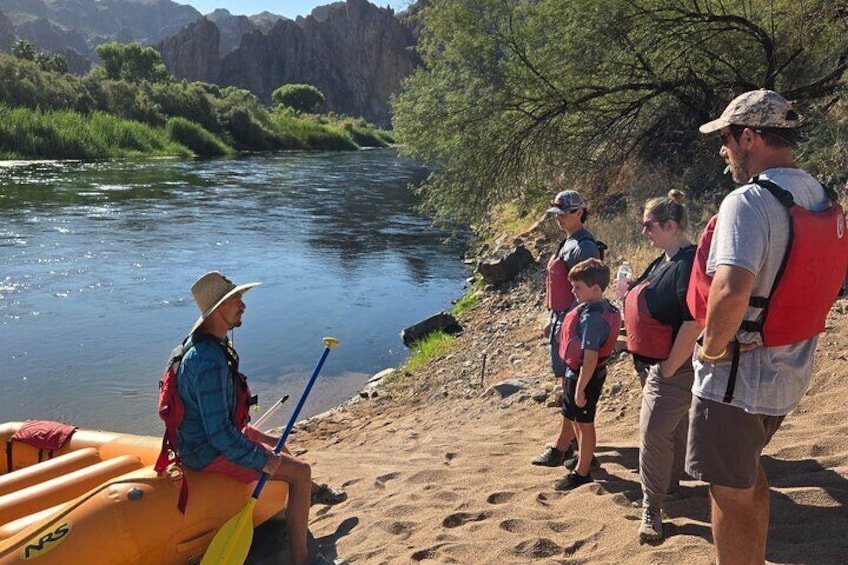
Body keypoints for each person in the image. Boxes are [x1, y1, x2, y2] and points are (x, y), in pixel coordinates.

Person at [687, 90, 848, 564]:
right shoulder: (821, 195)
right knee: (746, 473)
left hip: (739, 377)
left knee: (727, 490)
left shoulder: (749, 201)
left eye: (728, 139)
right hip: (788, 371)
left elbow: (732, 289)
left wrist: (710, 350)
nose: (724, 149)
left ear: (750, 137)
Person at [175, 271, 344, 565]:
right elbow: (218, 434)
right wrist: (260, 459)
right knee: (300, 471)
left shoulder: (208, 344)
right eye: (236, 299)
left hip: (208, 436)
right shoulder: (206, 360)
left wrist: (259, 445)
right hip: (205, 450)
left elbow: (220, 420)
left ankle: (306, 497)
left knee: (278, 443)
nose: (243, 305)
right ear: (218, 309)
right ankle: (302, 560)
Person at [616, 190, 701, 542]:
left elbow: (693, 320)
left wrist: (668, 368)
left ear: (669, 225)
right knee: (674, 427)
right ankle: (672, 487)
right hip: (661, 362)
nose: (644, 233)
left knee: (652, 433)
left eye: (648, 226)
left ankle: (652, 508)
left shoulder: (686, 262)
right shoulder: (665, 259)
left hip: (672, 366)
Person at [532, 190, 603, 469]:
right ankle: (574, 444)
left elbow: (586, 292)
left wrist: (573, 326)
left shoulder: (583, 247)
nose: (559, 218)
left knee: (572, 386)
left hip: (572, 324)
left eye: (564, 213)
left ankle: (564, 447)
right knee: (566, 383)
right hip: (562, 320)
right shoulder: (569, 242)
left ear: (579, 213)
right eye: (557, 214)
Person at [551, 258, 620, 490]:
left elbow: (590, 358)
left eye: (577, 287)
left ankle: (582, 472)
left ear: (596, 289)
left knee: (585, 423)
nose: (573, 291)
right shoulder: (594, 308)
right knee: (578, 422)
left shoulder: (593, 319)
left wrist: (580, 388)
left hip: (585, 376)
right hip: (578, 374)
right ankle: (584, 459)